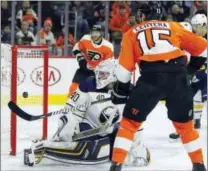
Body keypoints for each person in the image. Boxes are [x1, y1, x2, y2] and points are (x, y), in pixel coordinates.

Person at [109, 2, 207, 171]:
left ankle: (116, 165)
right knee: (186, 127)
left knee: (129, 124)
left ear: (143, 16)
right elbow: (203, 48)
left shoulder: (131, 33)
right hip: (178, 77)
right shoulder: (173, 26)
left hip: (151, 78)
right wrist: (189, 71)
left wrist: (122, 90)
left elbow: (124, 71)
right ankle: (199, 165)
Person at [23, 59, 150, 167]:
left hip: (113, 129)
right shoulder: (88, 84)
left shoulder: (129, 90)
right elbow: (72, 108)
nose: (99, 78)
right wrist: (67, 127)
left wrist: (136, 144)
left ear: (114, 75)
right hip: (88, 127)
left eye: (104, 75)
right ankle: (52, 146)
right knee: (69, 124)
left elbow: (136, 120)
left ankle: (133, 148)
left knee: (126, 154)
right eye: (98, 74)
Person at [169, 14, 207, 141]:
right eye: (195, 26)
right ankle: (183, 128)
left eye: (202, 26)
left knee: (195, 99)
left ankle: (194, 121)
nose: (202, 29)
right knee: (183, 101)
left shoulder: (200, 39)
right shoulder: (189, 35)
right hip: (188, 72)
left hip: (200, 74)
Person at [69, 25, 114, 95]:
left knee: (95, 93)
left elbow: (108, 64)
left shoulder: (108, 46)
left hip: (99, 73)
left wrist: (98, 69)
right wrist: (82, 61)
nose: (94, 35)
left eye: (97, 33)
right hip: (84, 69)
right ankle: (71, 105)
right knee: (73, 89)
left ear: (102, 34)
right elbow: (76, 48)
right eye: (93, 32)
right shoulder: (85, 39)